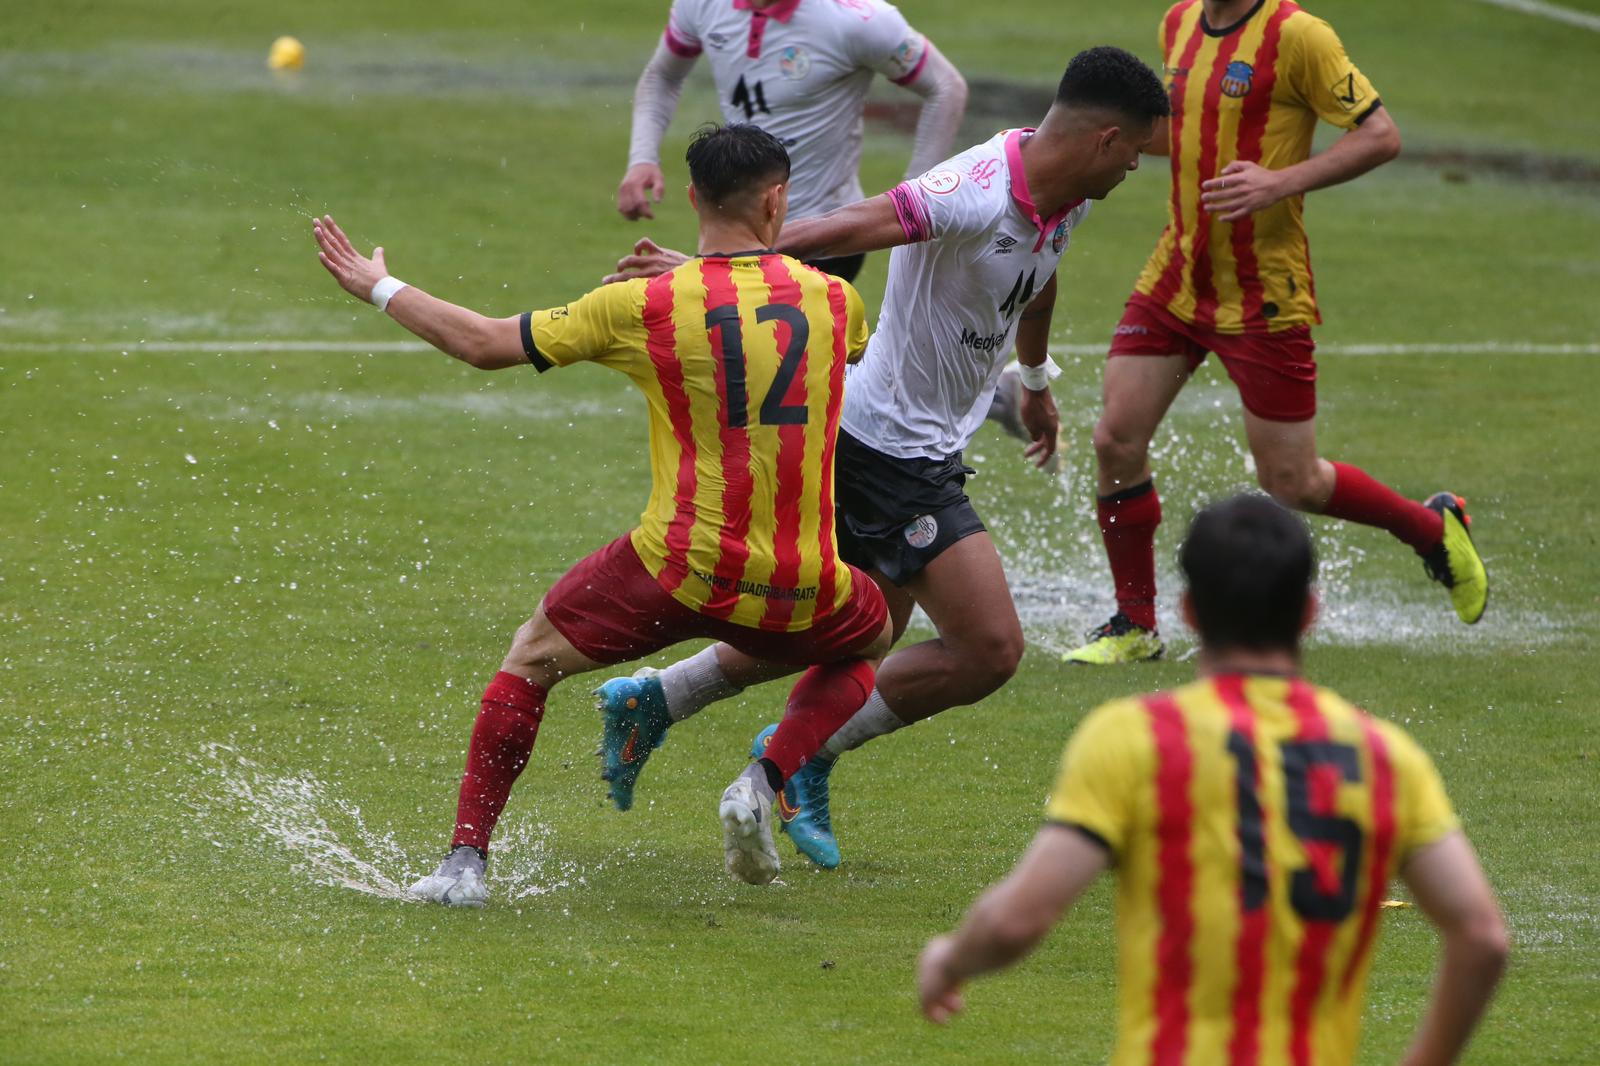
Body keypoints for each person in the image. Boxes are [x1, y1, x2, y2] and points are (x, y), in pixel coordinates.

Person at [595, 47, 1170, 872]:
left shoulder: (1065, 194)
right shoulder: (974, 188)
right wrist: (715, 267)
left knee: (849, 629)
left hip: (911, 444)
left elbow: (1039, 282)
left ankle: (663, 702)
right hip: (887, 446)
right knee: (986, 648)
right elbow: (853, 224)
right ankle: (789, 764)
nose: (1134, 172)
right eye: (1137, 156)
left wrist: (1034, 380)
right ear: (1107, 140)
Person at [312, 124, 897, 900]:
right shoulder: (836, 299)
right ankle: (763, 779)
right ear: (779, 199)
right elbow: (806, 335)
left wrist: (377, 285)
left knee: (529, 660)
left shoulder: (645, 305)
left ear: (691, 198)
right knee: (874, 636)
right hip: (804, 582)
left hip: (678, 569)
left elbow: (486, 344)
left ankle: (463, 865)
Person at [918, 494, 1509, 1066]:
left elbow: (1018, 919)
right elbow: (1481, 935)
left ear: (1190, 611)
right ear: (1309, 611)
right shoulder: (1384, 756)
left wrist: (950, 959)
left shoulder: (1135, 739)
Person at [1065, 0, 1487, 667]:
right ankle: (1135, 624)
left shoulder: (1300, 37)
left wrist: (1280, 182)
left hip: (1265, 290)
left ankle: (1432, 528)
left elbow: (1380, 135)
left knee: (1293, 481)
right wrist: (1078, 139)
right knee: (1116, 438)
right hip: (1178, 272)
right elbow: (1185, 131)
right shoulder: (1178, 24)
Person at [618, 0, 968, 284]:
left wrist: (914, 193)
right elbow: (663, 75)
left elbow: (946, 86)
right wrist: (642, 159)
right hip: (733, 226)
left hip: (823, 240)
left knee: (762, 359)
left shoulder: (859, 20)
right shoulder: (702, 5)